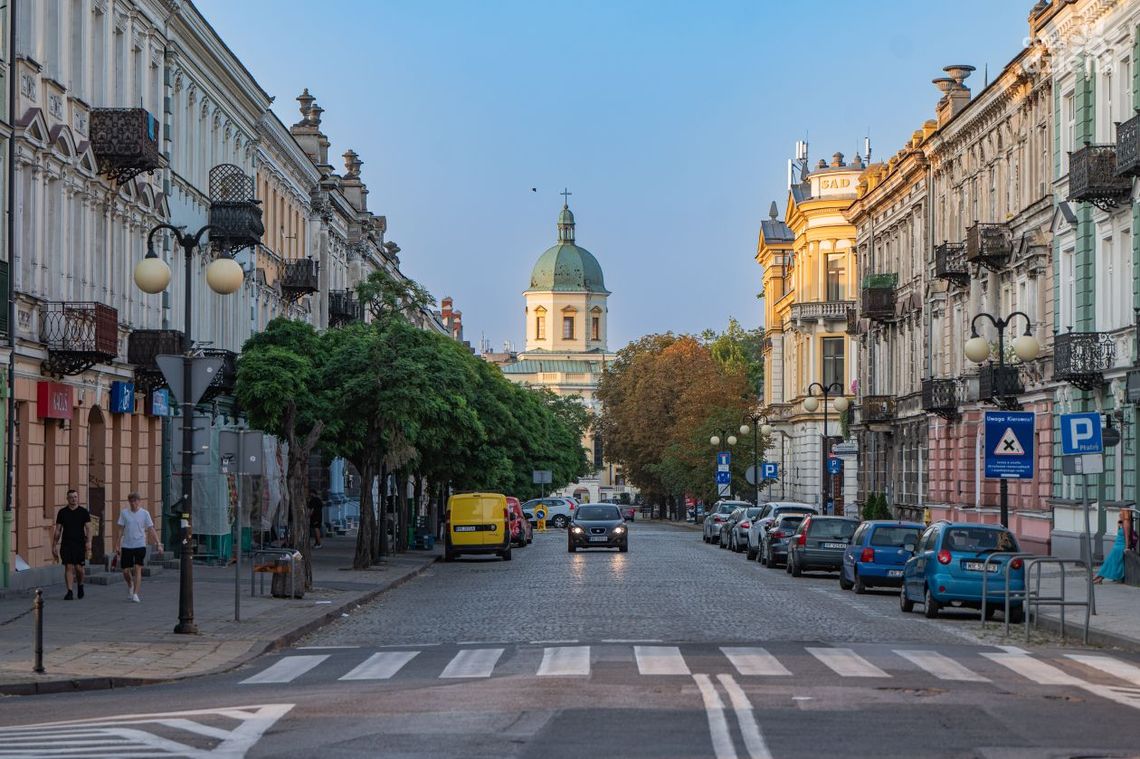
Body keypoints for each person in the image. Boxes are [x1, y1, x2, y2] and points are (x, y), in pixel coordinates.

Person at [115, 492, 163, 602]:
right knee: (125, 571)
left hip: (140, 544)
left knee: (137, 568)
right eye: (131, 501)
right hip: (127, 545)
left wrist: (158, 543)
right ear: (129, 502)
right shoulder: (124, 513)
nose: (133, 503)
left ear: (139, 501)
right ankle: (130, 585)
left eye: (135, 501)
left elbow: (151, 529)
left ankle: (135, 594)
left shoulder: (144, 513)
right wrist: (117, 544)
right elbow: (121, 529)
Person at [52, 489, 91, 600]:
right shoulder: (62, 512)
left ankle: (80, 585)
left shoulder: (83, 512)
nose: (73, 499)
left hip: (79, 543)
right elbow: (58, 530)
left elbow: (88, 528)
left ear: (78, 498)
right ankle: (69, 591)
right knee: (68, 566)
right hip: (67, 543)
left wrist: (89, 542)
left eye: (75, 497)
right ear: (67, 499)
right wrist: (54, 545)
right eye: (71, 497)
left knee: (79, 568)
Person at [1094, 519, 1127, 584]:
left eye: (1120, 522)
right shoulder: (1121, 527)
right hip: (1116, 547)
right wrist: (1119, 526)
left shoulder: (1126, 527)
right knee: (1108, 562)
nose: (1119, 523)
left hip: (1120, 548)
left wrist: (1127, 547)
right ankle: (1099, 578)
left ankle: (1098, 577)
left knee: (1110, 563)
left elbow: (1127, 538)